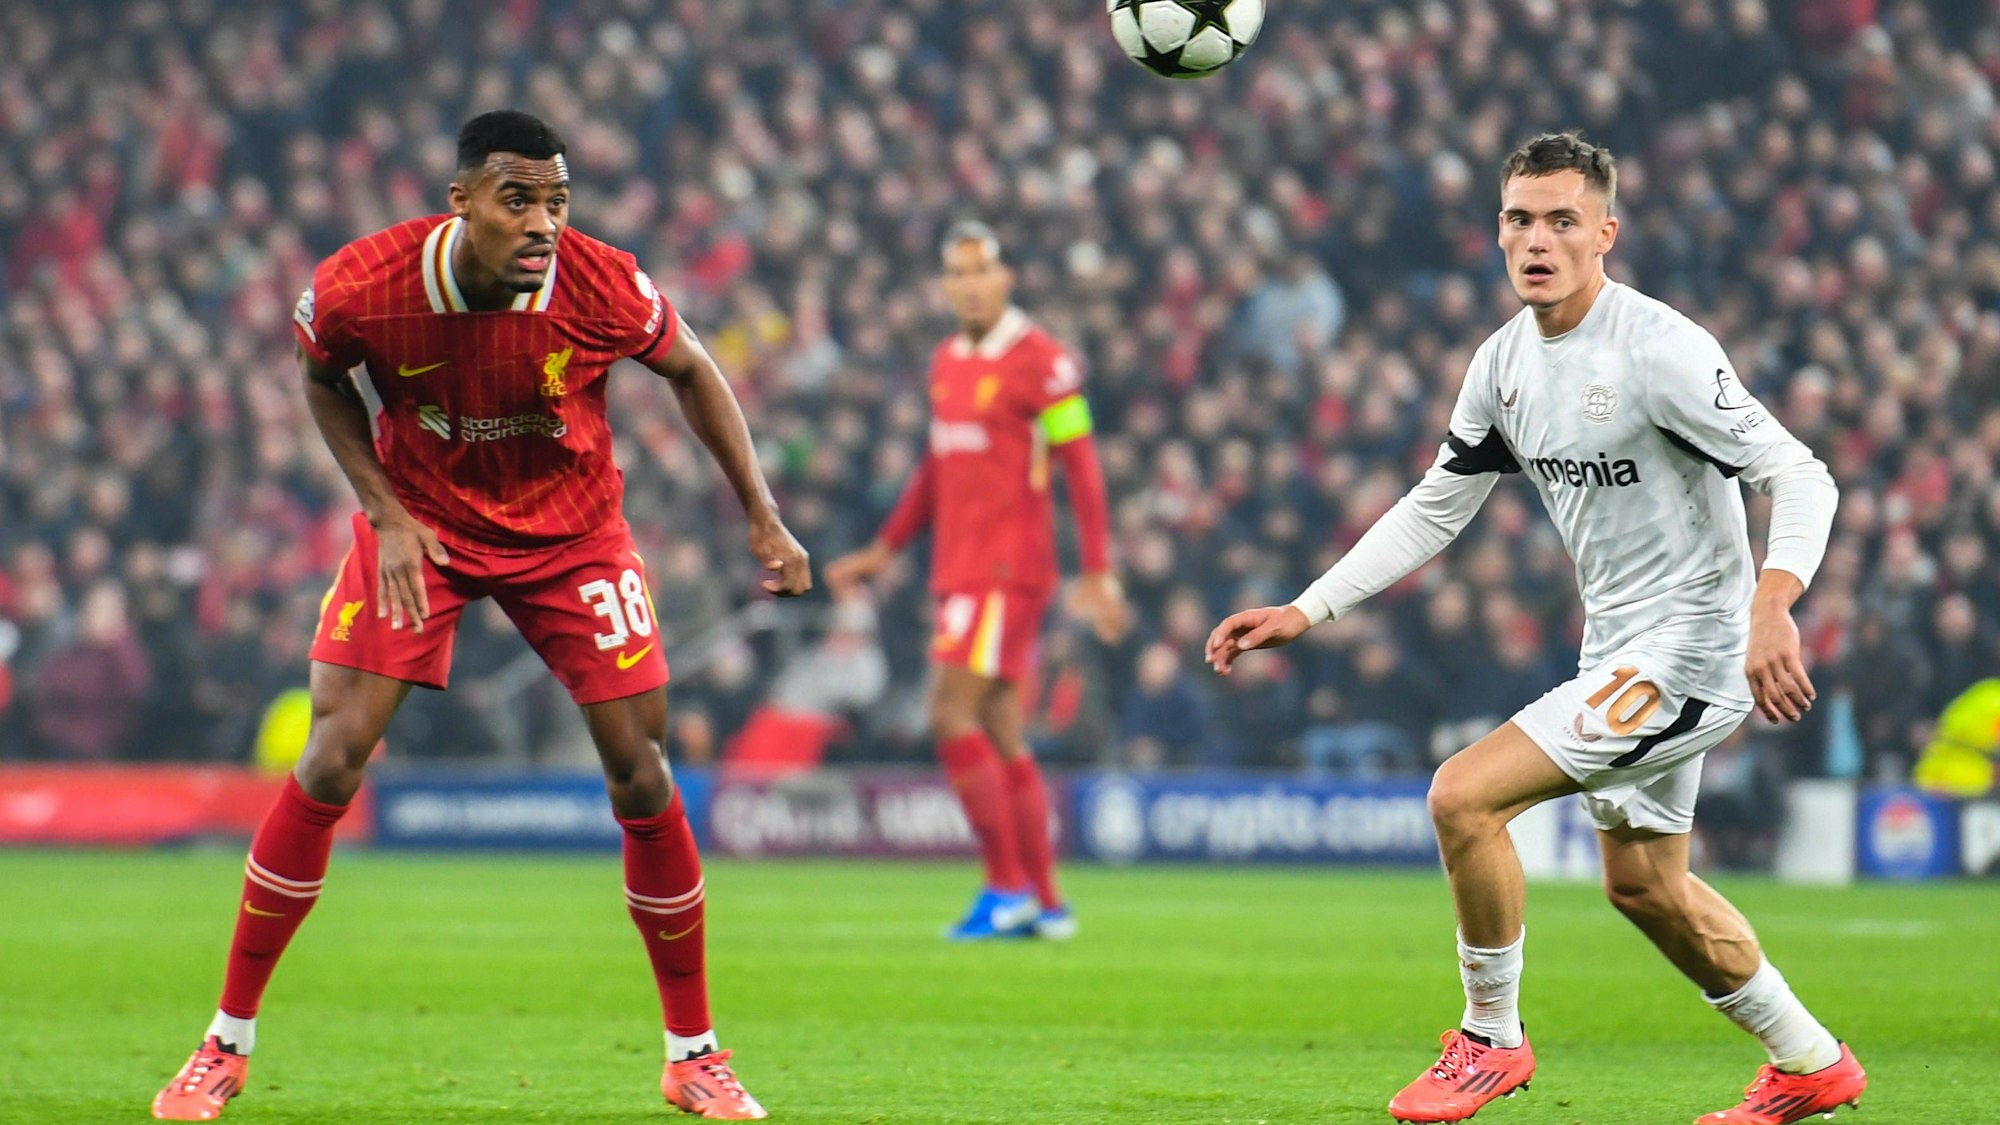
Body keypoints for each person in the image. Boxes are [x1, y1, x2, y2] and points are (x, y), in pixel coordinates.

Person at [152, 111, 809, 1122]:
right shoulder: (361, 285)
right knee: (332, 753)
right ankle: (223, 1047)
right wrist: (383, 511)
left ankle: (694, 1056)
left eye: (557, 200)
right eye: (518, 200)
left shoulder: (600, 281)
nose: (543, 222)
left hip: (574, 532)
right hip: (424, 525)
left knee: (640, 768)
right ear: (460, 202)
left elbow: (692, 370)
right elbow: (323, 379)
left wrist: (762, 516)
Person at [1206, 133, 1866, 1125]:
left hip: (1692, 649)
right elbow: (1438, 503)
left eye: (1562, 220)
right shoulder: (1504, 363)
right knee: (1644, 887)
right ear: (1496, 230)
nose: (1537, 240)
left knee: (1461, 797)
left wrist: (1771, 603)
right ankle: (1807, 1061)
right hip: (1619, 649)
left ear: (1605, 231)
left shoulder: (1659, 350)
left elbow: (1797, 472)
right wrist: (1309, 607)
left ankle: (1487, 1040)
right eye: (1519, 218)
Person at [825, 221, 1128, 941]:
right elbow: (936, 468)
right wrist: (884, 549)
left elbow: (1081, 465)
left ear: (1006, 276)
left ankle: (1006, 886)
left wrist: (1097, 567)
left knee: (947, 712)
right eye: (954, 271)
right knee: (1001, 729)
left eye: (979, 269)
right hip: (959, 569)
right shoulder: (946, 362)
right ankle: (1048, 901)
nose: (966, 283)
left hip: (1005, 569)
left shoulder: (1045, 363)